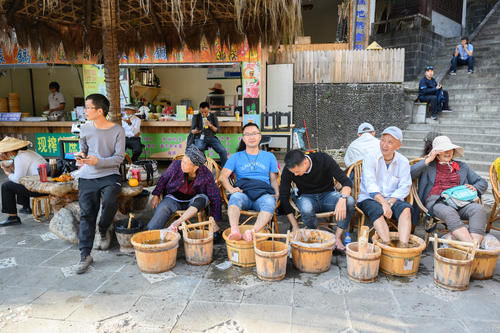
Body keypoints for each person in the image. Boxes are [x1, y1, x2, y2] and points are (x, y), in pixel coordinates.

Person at [73, 94, 125, 274]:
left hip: (110, 174)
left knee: (111, 200)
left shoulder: (118, 130)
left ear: (100, 111)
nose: (84, 111)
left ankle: (103, 228)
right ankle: (85, 255)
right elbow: (84, 150)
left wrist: (98, 162)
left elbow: (118, 158)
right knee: (87, 214)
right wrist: (80, 156)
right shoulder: (85, 129)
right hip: (88, 175)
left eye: (88, 108)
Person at [411, 136, 487, 244]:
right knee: (449, 212)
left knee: (478, 209)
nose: (448, 153)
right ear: (437, 153)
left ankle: (475, 245)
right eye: (443, 150)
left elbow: (482, 182)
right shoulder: (428, 166)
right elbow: (410, 173)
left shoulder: (462, 166)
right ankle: (474, 248)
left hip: (460, 202)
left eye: (449, 149)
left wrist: (476, 188)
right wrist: (428, 159)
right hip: (437, 202)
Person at [279, 150, 355, 250]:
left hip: (328, 195)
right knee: (306, 209)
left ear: (305, 162)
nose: (295, 175)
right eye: (294, 173)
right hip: (306, 196)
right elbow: (284, 197)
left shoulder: (323, 159)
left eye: (297, 172)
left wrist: (342, 199)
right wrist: (295, 225)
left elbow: (347, 182)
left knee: (349, 201)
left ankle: (337, 238)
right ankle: (319, 236)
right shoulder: (289, 170)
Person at [146, 145, 223, 240]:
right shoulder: (176, 165)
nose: (182, 164)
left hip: (193, 201)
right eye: (183, 161)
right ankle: (150, 236)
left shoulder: (206, 174)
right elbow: (164, 178)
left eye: (186, 163)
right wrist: (156, 194)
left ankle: (176, 223)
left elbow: (215, 196)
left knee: (203, 198)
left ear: (195, 167)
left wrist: (214, 220)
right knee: (161, 211)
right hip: (173, 198)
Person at [219, 123, 279, 242]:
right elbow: (222, 177)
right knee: (235, 197)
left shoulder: (269, 156)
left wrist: (277, 193)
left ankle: (252, 232)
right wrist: (231, 189)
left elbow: (273, 179)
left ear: (260, 136)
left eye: (254, 133)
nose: (251, 137)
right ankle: (235, 230)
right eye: (247, 134)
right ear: (243, 138)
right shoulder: (235, 157)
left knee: (269, 201)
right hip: (243, 193)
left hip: (262, 193)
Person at [357, 126, 413, 247]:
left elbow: (405, 186)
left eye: (390, 142)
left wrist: (390, 202)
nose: (384, 145)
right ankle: (388, 246)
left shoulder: (403, 161)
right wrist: (383, 203)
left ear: (398, 146)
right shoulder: (370, 157)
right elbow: (370, 184)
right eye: (383, 140)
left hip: (392, 198)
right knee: (377, 211)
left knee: (406, 209)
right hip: (370, 198)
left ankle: (403, 246)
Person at [0, 137, 46, 226]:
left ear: (9, 152)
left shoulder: (20, 157)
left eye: (4, 153)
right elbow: (22, 174)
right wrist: (12, 167)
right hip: (44, 184)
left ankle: (13, 217)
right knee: (22, 180)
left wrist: (7, 173)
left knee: (6, 186)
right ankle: (26, 207)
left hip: (41, 189)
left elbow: (17, 179)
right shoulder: (28, 153)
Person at [190, 102, 228, 167]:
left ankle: (225, 170)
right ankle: (200, 170)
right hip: (200, 137)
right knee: (198, 149)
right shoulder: (196, 117)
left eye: (205, 112)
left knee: (223, 151)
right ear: (200, 110)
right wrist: (197, 130)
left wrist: (210, 125)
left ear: (209, 110)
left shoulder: (213, 116)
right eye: (202, 112)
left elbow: (217, 130)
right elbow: (192, 131)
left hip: (211, 137)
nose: (204, 114)